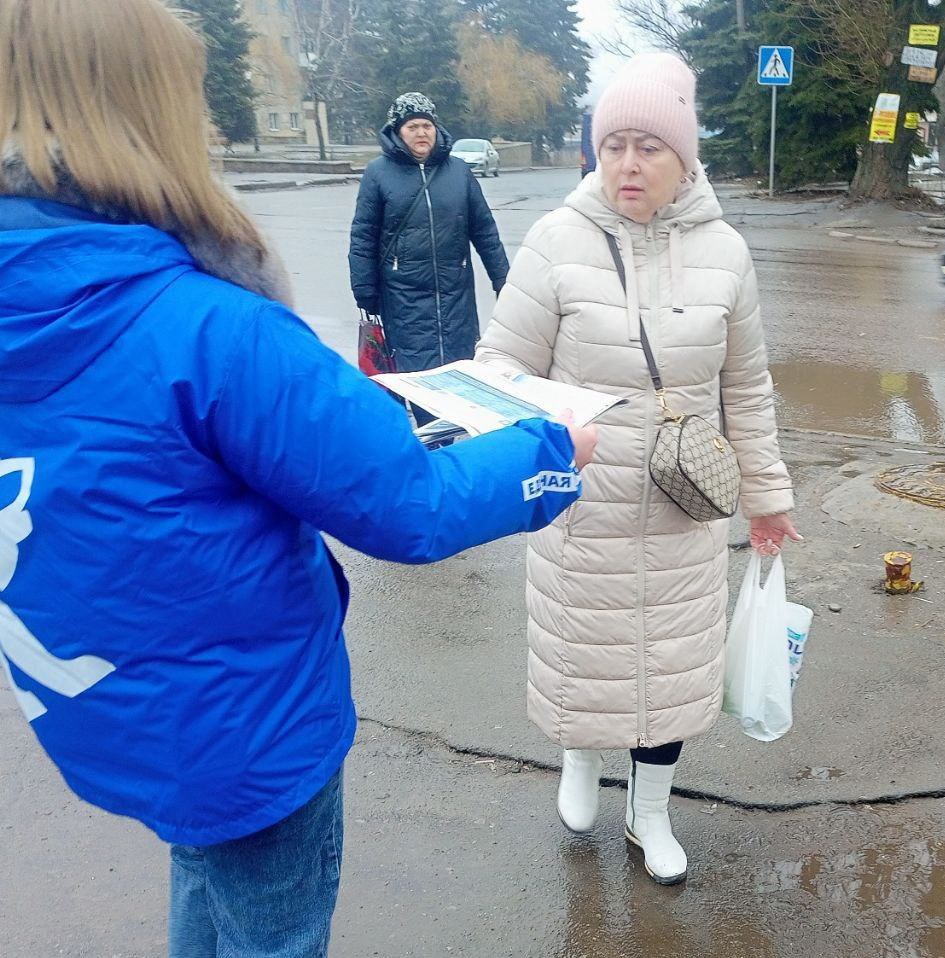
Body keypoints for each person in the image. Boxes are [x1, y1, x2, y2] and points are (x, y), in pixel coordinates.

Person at [0, 1, 596, 955]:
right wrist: (552, 451)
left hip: (114, 714)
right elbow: (409, 502)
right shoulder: (208, 329)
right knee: (269, 926)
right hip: (248, 735)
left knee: (205, 883)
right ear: (148, 114)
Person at [474, 52, 801, 886]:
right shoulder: (555, 241)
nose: (628, 162)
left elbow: (747, 387)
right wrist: (530, 449)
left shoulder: (727, 252)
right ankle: (580, 763)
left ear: (685, 156)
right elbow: (499, 368)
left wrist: (766, 498)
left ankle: (650, 812)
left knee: (672, 671)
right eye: (613, 142)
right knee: (591, 656)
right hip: (583, 501)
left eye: (649, 145)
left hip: (686, 504)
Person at [349, 92, 508, 423]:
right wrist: (364, 290)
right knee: (416, 378)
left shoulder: (459, 172)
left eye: (427, 125)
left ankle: (454, 444)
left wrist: (502, 279)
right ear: (398, 131)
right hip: (403, 297)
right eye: (412, 126)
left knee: (460, 373)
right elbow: (363, 235)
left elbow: (485, 231)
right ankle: (430, 443)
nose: (421, 133)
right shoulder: (378, 174)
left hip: (456, 295)